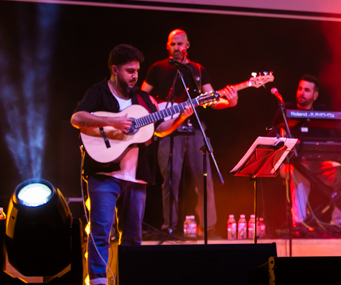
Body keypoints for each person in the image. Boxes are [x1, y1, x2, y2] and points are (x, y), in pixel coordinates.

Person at [71, 44, 194, 285]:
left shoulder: (143, 99)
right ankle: (97, 281)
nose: (135, 76)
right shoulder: (98, 92)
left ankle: (128, 278)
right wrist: (113, 122)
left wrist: (181, 116)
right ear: (115, 70)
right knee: (101, 231)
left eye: (137, 71)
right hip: (104, 173)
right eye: (130, 71)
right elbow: (77, 118)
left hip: (136, 176)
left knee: (133, 237)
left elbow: (159, 130)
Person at [141, 29, 238, 235]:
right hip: (169, 131)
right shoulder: (157, 68)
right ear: (168, 46)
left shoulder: (198, 70)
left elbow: (212, 99)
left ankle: (208, 227)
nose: (177, 47)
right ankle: (170, 228)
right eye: (173, 44)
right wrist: (155, 109)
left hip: (195, 131)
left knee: (204, 180)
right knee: (170, 181)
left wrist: (230, 102)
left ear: (187, 45)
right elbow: (141, 96)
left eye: (180, 44)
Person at [272, 75, 341, 232]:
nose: (302, 93)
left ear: (315, 96)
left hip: (317, 163)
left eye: (307, 90)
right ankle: (299, 224)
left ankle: (339, 224)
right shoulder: (285, 109)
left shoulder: (322, 111)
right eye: (300, 89)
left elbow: (332, 140)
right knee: (299, 172)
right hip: (291, 164)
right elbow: (274, 136)